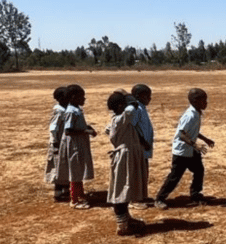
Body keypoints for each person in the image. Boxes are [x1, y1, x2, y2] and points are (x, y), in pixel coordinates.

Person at [155, 88, 215, 209]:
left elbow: (192, 131)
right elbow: (182, 134)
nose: (206, 103)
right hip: (182, 151)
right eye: (204, 100)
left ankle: (195, 194)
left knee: (199, 170)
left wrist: (205, 139)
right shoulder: (190, 115)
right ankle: (159, 199)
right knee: (174, 177)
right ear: (195, 101)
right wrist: (195, 145)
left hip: (191, 149)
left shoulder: (196, 113)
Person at [106, 90, 147, 236]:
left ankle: (126, 219)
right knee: (121, 190)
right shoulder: (120, 119)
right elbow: (132, 109)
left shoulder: (119, 119)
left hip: (127, 155)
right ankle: (122, 224)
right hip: (124, 157)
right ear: (120, 106)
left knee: (126, 188)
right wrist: (130, 98)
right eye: (124, 103)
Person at [56, 84, 97, 209]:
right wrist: (85, 132)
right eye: (82, 97)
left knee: (78, 170)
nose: (84, 99)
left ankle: (80, 194)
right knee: (75, 171)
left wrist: (87, 128)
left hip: (79, 144)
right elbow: (68, 130)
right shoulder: (71, 111)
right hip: (74, 145)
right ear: (73, 97)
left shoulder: (76, 109)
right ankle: (74, 200)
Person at [130, 84, 154, 208]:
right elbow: (132, 128)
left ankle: (141, 195)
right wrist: (143, 141)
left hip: (143, 147)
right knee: (136, 173)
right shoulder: (136, 109)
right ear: (139, 96)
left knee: (143, 172)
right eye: (147, 96)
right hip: (138, 147)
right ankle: (135, 199)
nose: (150, 99)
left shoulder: (142, 108)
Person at [44, 86, 69, 202]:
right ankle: (58, 194)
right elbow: (53, 128)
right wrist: (54, 142)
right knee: (58, 168)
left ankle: (66, 191)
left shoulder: (66, 109)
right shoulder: (58, 110)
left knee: (65, 167)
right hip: (58, 143)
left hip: (64, 142)